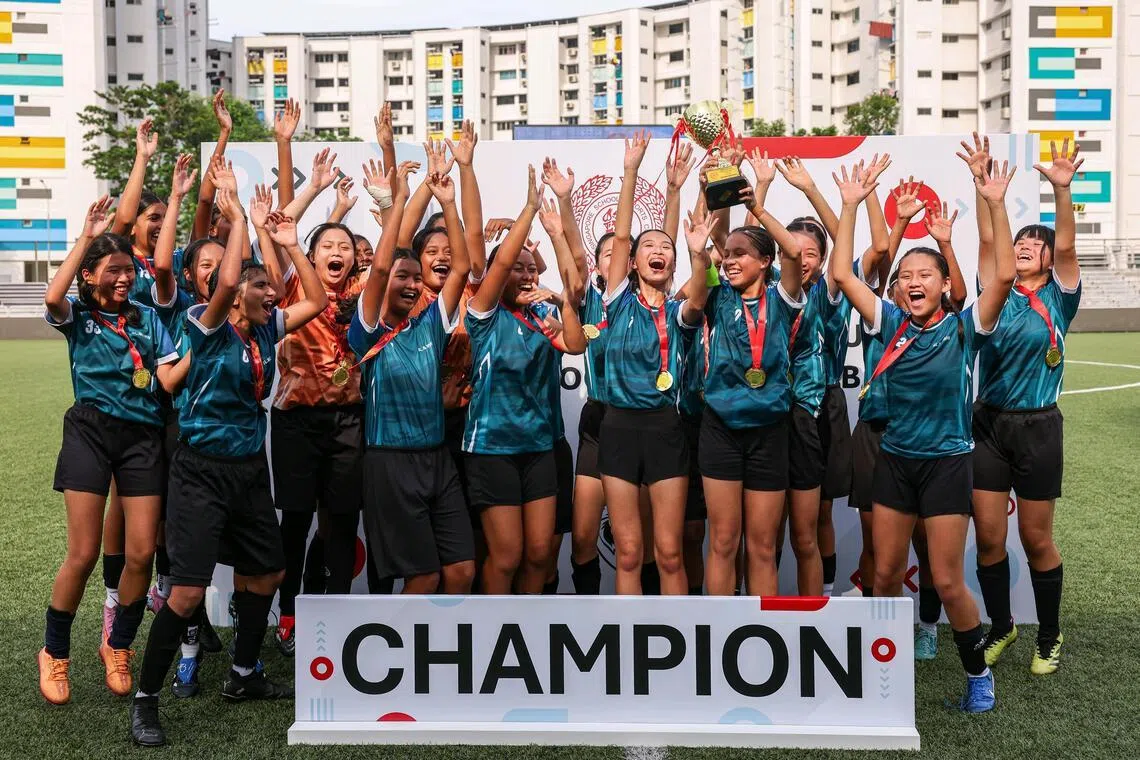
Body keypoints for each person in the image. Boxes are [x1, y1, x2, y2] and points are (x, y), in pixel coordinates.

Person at [129, 188, 327, 746]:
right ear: (237, 292)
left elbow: (312, 302)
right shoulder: (207, 324)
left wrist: (291, 244)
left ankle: (242, 675)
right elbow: (222, 283)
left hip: (246, 472)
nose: (270, 292)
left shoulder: (266, 329)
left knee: (266, 573)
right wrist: (239, 220)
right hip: (198, 471)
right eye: (259, 284)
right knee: (187, 595)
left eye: (269, 284)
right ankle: (145, 700)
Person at [830, 157, 1018, 713]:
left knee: (946, 579)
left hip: (946, 465)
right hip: (894, 461)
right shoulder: (887, 321)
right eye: (906, 277)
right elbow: (842, 274)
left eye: (925, 276)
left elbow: (1003, 276)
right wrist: (848, 204)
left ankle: (977, 674)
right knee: (883, 574)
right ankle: (874, 672)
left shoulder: (966, 328)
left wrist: (996, 202)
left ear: (944, 286)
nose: (913, 283)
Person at [39, 197, 185, 705]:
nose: (125, 279)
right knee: (81, 554)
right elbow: (53, 296)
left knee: (141, 553)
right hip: (90, 432)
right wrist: (84, 238)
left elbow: (165, 376)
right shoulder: (77, 316)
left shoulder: (148, 318)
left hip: (142, 438)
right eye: (114, 270)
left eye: (128, 270)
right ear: (91, 275)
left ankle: (117, 645)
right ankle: (55, 652)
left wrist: (199, 352)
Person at [967, 135, 1082, 675]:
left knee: (1036, 539)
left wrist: (1061, 191)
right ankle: (1003, 625)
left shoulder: (1061, 295)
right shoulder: (996, 290)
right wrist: (987, 193)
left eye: (1035, 243)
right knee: (989, 538)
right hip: (988, 425)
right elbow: (991, 247)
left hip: (1039, 428)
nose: (1025, 246)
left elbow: (1065, 250)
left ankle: (1050, 635)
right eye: (1022, 241)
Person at [346, 164, 478, 593]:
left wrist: (450, 203)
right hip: (391, 461)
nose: (410, 283)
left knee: (461, 572)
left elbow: (460, 268)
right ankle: (392, 657)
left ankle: (434, 656)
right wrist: (398, 202)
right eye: (403, 277)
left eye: (416, 279)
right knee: (423, 576)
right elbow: (381, 270)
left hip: (437, 460)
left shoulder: (428, 324)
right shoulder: (367, 331)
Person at [259, 152, 369, 656]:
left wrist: (355, 209)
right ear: (311, 252)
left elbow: (388, 258)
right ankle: (288, 615)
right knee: (297, 520)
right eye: (326, 245)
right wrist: (319, 196)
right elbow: (282, 241)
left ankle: (342, 616)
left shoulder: (365, 292)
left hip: (348, 421)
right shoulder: (287, 290)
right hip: (295, 422)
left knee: (341, 523)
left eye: (344, 246)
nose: (337, 252)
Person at [599, 131, 715, 596]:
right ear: (631, 261)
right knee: (629, 552)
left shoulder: (679, 310)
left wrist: (697, 252)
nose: (658, 251)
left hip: (667, 429)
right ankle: (630, 652)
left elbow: (699, 294)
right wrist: (631, 171)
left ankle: (679, 652)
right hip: (619, 429)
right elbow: (624, 234)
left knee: (669, 552)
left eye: (665, 248)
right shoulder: (616, 300)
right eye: (649, 246)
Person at [462, 167, 587, 594]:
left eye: (533, 269)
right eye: (518, 269)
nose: (527, 275)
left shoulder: (542, 315)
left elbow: (575, 346)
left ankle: (525, 638)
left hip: (538, 449)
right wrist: (529, 210)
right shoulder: (484, 314)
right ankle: (492, 638)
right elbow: (497, 263)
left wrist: (562, 302)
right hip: (492, 449)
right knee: (507, 554)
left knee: (538, 554)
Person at [700, 153, 805, 597]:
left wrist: (757, 207)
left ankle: (765, 640)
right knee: (723, 541)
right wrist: (718, 187)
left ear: (765, 262)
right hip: (720, 428)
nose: (730, 261)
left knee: (762, 546)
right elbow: (709, 240)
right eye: (728, 256)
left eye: (742, 254)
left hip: (769, 430)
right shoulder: (715, 293)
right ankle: (720, 633)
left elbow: (796, 251)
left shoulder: (784, 296)